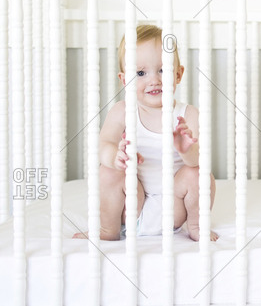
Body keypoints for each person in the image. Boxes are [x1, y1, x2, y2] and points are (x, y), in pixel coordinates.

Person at [73, 24, 217, 241]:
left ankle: (196, 226)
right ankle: (108, 229)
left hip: (173, 207)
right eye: (140, 73)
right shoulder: (122, 111)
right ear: (124, 81)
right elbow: (104, 145)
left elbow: (198, 159)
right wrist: (115, 157)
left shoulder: (189, 115)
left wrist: (186, 149)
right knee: (107, 171)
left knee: (198, 174)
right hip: (131, 205)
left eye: (163, 70)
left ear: (178, 74)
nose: (154, 80)